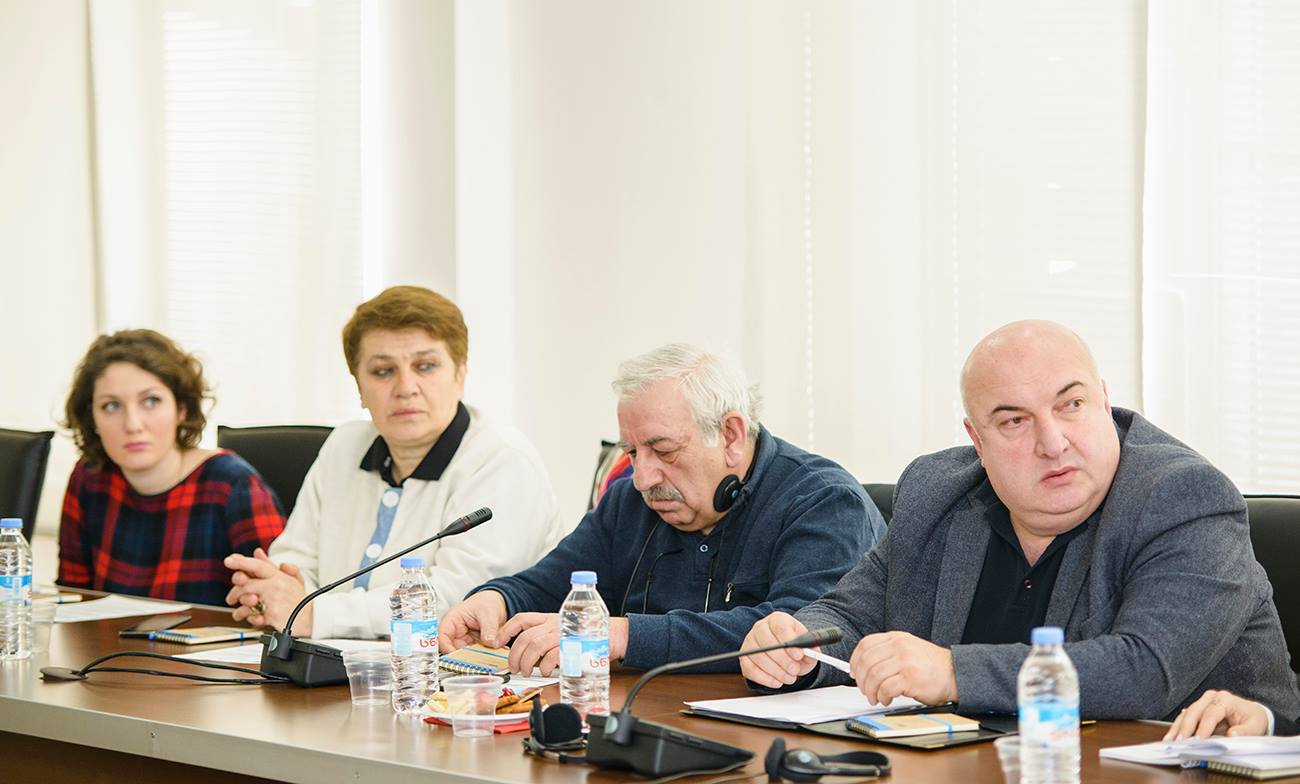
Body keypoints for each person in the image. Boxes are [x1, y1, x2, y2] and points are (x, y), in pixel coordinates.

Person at [739, 320, 1300, 734]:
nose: (1052, 442)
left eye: (1071, 404)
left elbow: (1142, 671)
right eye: (1014, 420)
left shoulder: (1183, 497)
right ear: (977, 441)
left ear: (1104, 401)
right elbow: (849, 615)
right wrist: (796, 645)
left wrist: (952, 672)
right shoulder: (937, 493)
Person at [439, 343, 886, 674]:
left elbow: (798, 634)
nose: (642, 477)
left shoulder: (824, 502)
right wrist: (496, 601)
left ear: (730, 435)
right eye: (632, 452)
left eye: (664, 450)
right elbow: (550, 584)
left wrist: (623, 635)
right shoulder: (629, 501)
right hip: (643, 726)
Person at [224, 285, 566, 639]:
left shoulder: (502, 459)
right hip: (337, 662)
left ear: (460, 376)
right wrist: (272, 592)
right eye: (383, 371)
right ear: (359, 387)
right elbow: (295, 561)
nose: (405, 387)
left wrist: (313, 614)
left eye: (425, 366)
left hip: (461, 669)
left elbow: (461, 602)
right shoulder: (344, 445)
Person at [58, 329, 285, 606]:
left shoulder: (232, 485)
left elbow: (278, 604)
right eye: (112, 406)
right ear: (92, 417)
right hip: (106, 636)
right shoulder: (89, 477)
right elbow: (73, 599)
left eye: (150, 401)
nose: (132, 424)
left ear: (182, 409)